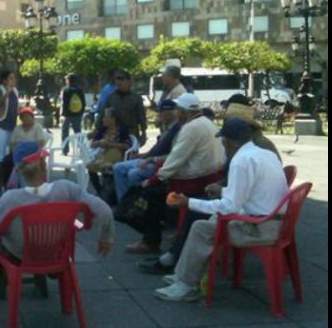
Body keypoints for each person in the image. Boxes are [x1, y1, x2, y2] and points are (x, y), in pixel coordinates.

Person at [154, 118, 289, 302]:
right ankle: (183, 275)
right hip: (274, 221)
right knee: (211, 220)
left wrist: (187, 202)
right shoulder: (264, 153)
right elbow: (250, 191)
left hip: (259, 228)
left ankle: (186, 285)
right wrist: (224, 190)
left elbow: (229, 207)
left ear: (227, 141)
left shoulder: (240, 160)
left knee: (200, 227)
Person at [0, 141, 115, 259]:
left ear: (18, 171)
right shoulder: (66, 189)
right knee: (70, 224)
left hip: (20, 254)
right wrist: (105, 238)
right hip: (55, 251)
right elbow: (104, 210)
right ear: (44, 164)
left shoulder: (11, 199)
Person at [125, 93, 225, 255]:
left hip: (193, 183)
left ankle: (150, 241)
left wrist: (153, 179)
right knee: (153, 189)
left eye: (178, 109)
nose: (176, 112)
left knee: (151, 194)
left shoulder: (191, 128)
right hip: (209, 177)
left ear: (184, 111)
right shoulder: (206, 122)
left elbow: (175, 160)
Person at [112, 99, 181, 205]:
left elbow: (173, 156)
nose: (159, 115)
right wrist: (144, 155)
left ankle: (136, 204)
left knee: (133, 174)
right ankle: (124, 203)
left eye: (161, 112)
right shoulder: (166, 127)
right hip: (149, 160)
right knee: (117, 167)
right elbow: (157, 148)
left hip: (160, 165)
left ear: (169, 113)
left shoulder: (178, 130)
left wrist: (150, 159)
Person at [86, 108, 131, 197]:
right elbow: (92, 144)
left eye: (106, 117)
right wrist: (99, 143)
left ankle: (108, 192)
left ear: (113, 119)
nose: (103, 119)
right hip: (102, 154)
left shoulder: (122, 130)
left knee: (107, 167)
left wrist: (110, 144)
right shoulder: (102, 129)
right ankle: (99, 191)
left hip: (116, 155)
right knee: (90, 166)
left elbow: (126, 146)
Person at [97, 70, 148, 147]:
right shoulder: (111, 97)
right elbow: (102, 114)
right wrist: (97, 129)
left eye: (121, 79)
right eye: (117, 80)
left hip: (131, 132)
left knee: (131, 155)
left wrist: (143, 133)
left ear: (129, 81)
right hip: (115, 134)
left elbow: (141, 116)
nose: (119, 82)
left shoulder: (136, 97)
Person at [0, 69, 19, 190]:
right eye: (11, 78)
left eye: (14, 78)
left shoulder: (16, 91)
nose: (13, 80)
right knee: (1, 151)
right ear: (5, 80)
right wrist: (7, 92)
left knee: (11, 152)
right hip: (1, 125)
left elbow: (14, 107)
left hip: (12, 125)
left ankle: (9, 178)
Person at [59, 73, 86, 155]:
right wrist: (81, 112)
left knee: (65, 132)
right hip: (77, 114)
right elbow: (83, 103)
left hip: (67, 115)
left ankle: (65, 150)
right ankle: (81, 149)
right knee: (78, 132)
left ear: (68, 80)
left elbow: (63, 103)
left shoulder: (65, 90)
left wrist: (62, 114)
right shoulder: (80, 90)